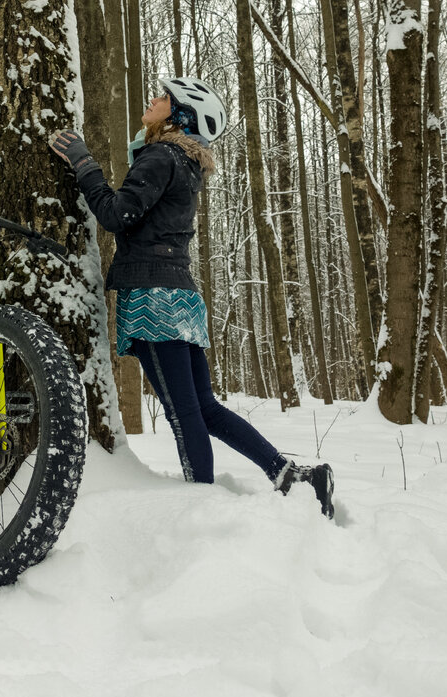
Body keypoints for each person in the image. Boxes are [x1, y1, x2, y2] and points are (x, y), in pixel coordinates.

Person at [50, 76, 334, 519]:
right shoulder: (183, 162)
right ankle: (288, 474)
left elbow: (115, 214)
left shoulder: (162, 156)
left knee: (184, 413)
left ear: (180, 116)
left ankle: (201, 511)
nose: (152, 98)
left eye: (163, 97)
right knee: (205, 407)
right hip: (180, 297)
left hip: (152, 300)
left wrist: (84, 163)